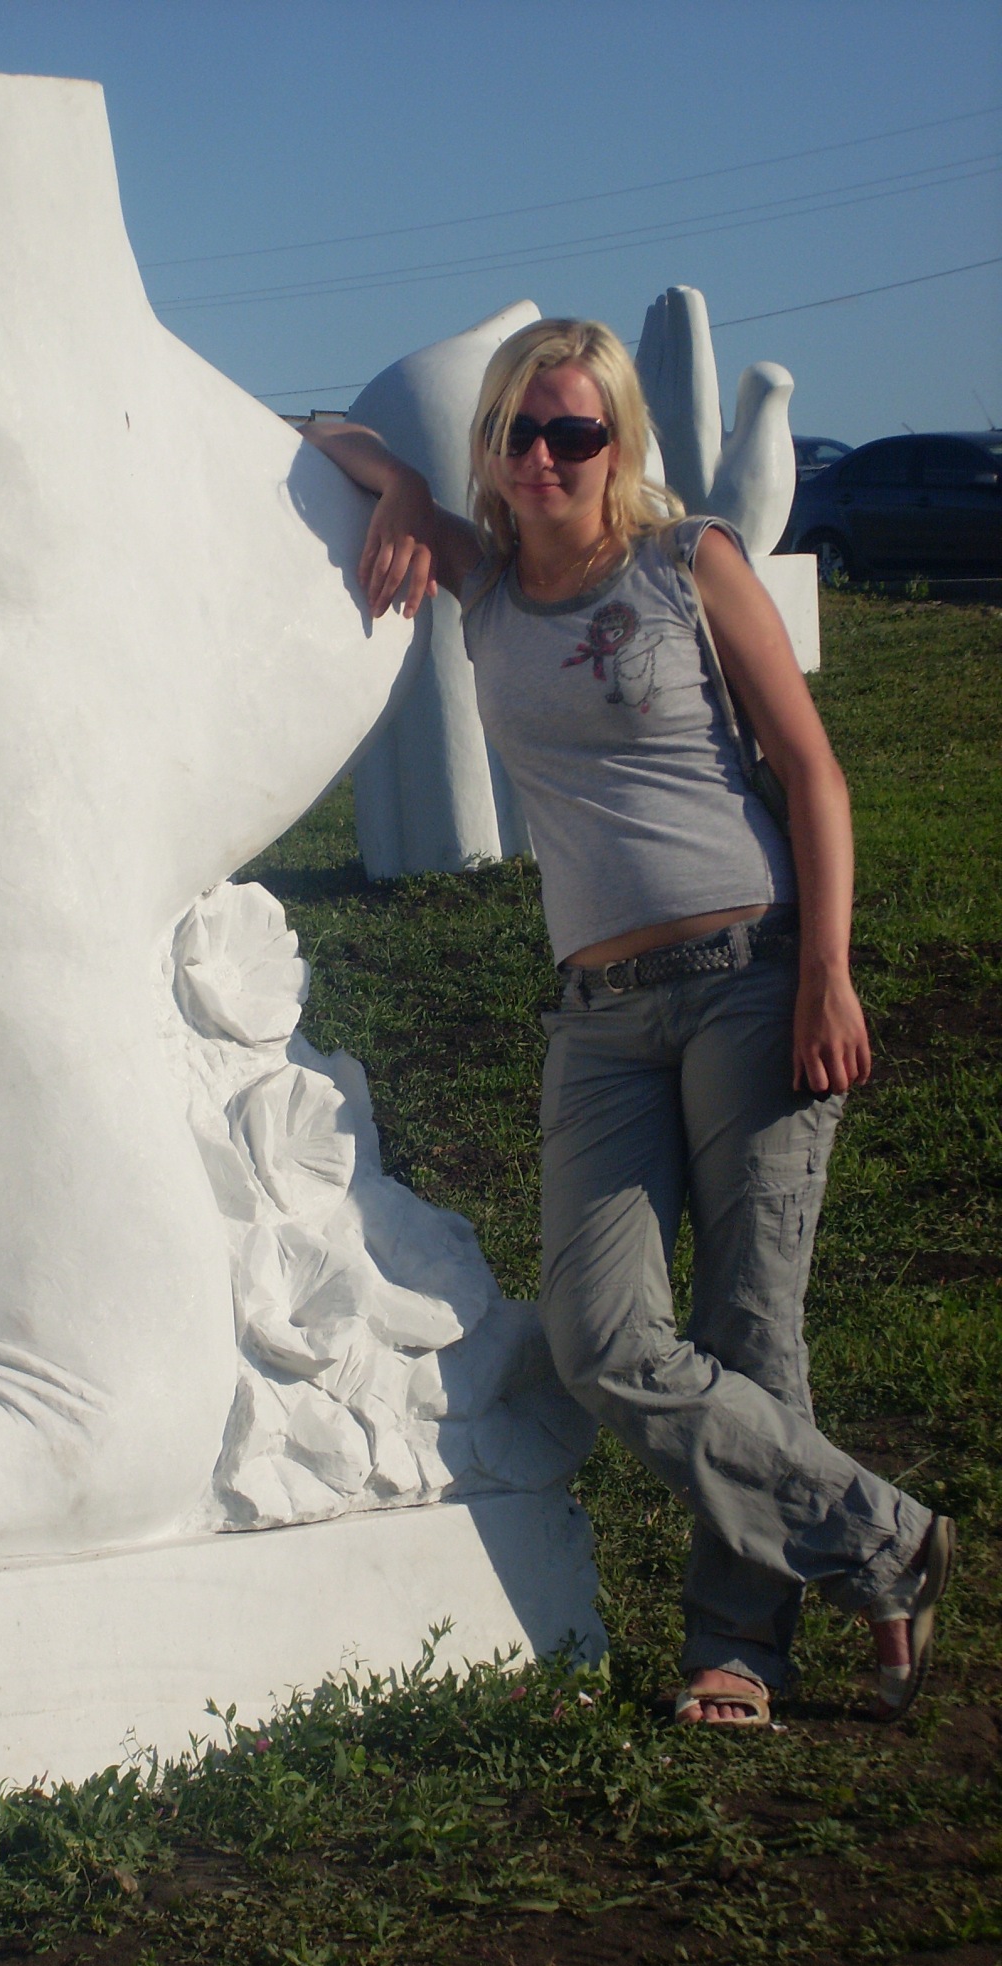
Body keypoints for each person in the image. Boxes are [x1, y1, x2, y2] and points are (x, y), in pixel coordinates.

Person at [303, 317, 952, 1728]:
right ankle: (886, 1544)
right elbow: (314, 434)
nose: (543, 456)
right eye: (516, 432)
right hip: (599, 1014)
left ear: (618, 445)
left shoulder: (687, 562)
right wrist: (400, 484)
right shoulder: (483, 583)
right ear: (489, 445)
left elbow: (812, 770)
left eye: (574, 432)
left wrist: (830, 972)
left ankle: (741, 1650)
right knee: (602, 1339)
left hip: (752, 974)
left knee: (748, 1322)